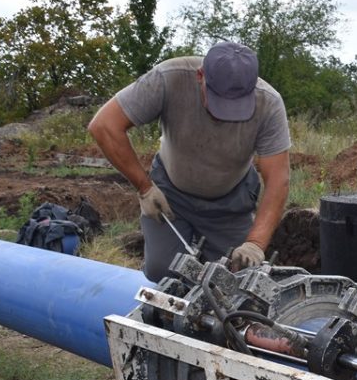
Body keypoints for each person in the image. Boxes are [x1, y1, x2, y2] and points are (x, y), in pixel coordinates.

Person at [89, 42, 291, 282]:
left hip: (230, 202)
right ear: (200, 77)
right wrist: (144, 188)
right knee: (162, 272)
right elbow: (104, 125)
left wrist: (255, 244)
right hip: (171, 196)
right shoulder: (169, 78)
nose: (223, 113)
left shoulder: (269, 102)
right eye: (218, 100)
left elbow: (278, 178)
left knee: (237, 280)